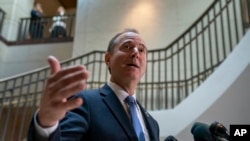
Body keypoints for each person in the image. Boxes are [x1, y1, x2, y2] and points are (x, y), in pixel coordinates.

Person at [27, 29, 160, 141]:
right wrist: (46, 125)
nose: (136, 53)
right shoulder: (84, 102)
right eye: (127, 47)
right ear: (108, 59)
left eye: (142, 50)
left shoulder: (153, 124)